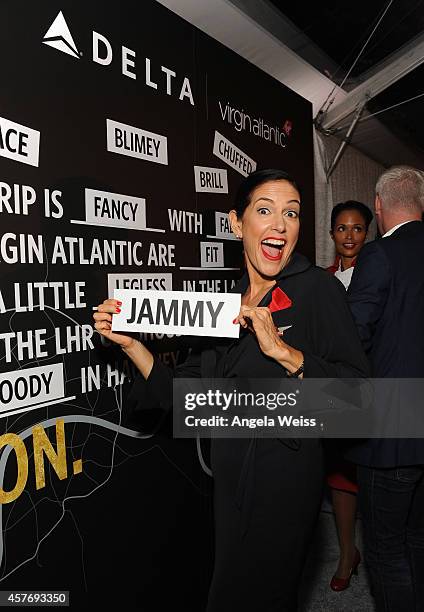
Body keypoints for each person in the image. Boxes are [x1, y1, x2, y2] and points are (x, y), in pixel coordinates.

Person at [93, 169, 369, 612]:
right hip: (230, 478)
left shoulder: (318, 290)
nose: (280, 224)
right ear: (237, 224)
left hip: (285, 478)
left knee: (262, 594)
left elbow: (358, 400)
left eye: (292, 214)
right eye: (265, 211)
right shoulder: (223, 302)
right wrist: (133, 347)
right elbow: (185, 395)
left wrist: (287, 354)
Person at [345, 166, 424, 611]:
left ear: (377, 207)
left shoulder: (380, 255)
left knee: (386, 548)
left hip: (394, 425)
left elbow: (355, 335)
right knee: (418, 536)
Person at [326, 200, 373, 591]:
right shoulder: (322, 280)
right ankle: (346, 552)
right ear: (331, 235)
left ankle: (379, 553)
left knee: (373, 474)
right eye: (342, 228)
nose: (349, 236)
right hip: (330, 388)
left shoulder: (378, 276)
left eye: (357, 228)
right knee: (339, 473)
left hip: (371, 386)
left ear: (367, 233)